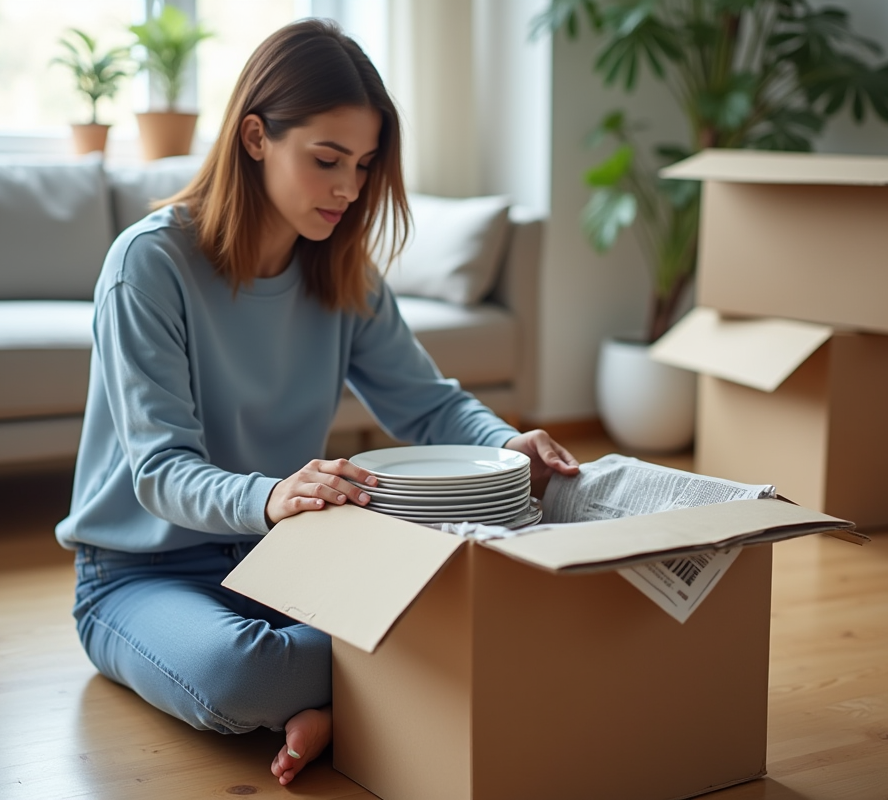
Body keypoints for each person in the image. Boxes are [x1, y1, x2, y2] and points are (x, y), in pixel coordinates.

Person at [55, 18, 580, 787]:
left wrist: (506, 444)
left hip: (288, 557)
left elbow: (431, 408)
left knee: (477, 599)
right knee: (247, 676)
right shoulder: (150, 264)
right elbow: (161, 471)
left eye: (364, 165)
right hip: (140, 572)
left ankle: (340, 709)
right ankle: (371, 695)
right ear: (257, 137)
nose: (348, 189)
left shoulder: (343, 270)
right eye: (327, 159)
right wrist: (272, 496)